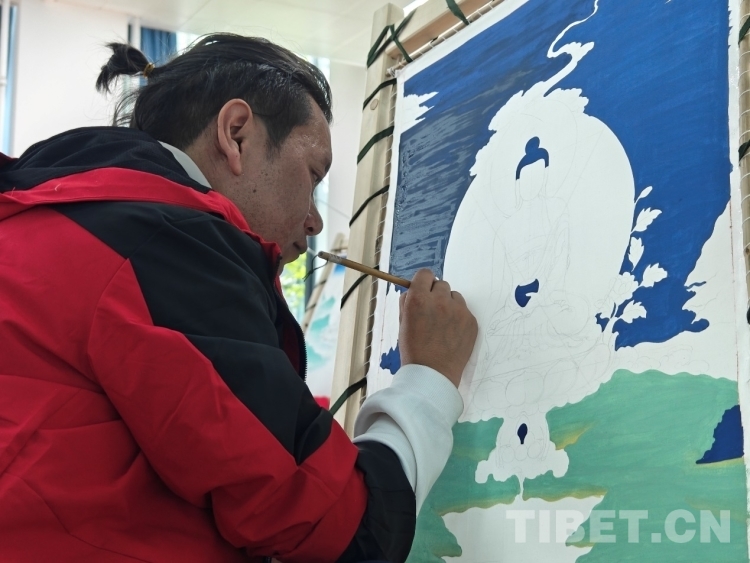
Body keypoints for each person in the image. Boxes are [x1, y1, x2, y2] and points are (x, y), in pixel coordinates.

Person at [0, 34, 477, 562]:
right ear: (236, 134)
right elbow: (343, 531)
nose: (316, 221)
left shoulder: (50, 216)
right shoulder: (165, 247)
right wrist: (428, 379)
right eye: (313, 175)